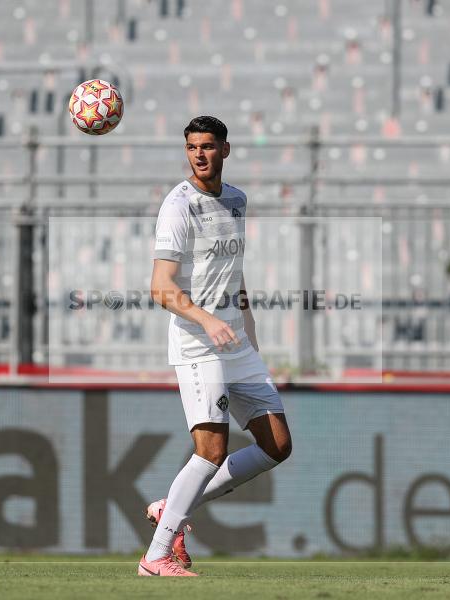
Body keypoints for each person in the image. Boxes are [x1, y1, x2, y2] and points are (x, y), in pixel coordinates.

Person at [138, 116, 292, 576]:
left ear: (225, 149)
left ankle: (170, 509)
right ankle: (155, 556)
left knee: (277, 445)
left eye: (207, 146)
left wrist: (248, 327)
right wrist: (207, 320)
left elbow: (233, 271)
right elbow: (160, 287)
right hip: (197, 343)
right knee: (211, 450)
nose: (199, 155)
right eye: (192, 147)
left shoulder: (237, 200)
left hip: (235, 342)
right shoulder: (177, 206)